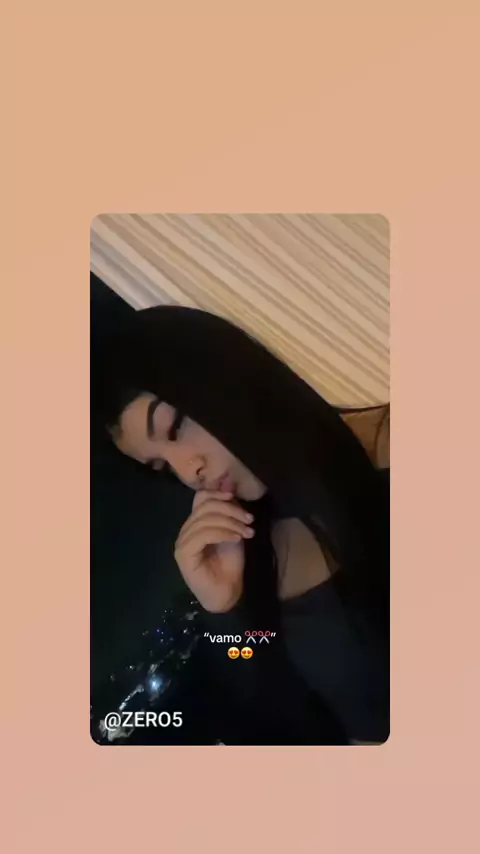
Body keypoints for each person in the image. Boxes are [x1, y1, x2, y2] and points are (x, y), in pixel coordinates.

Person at [91, 292, 390, 744]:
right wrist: (225, 610)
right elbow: (268, 721)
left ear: (219, 378)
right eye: (161, 466)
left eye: (175, 427)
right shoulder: (253, 547)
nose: (188, 470)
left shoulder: (390, 447)